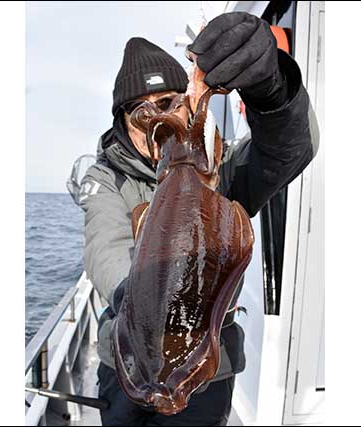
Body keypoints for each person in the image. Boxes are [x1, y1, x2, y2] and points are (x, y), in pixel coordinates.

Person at [79, 12, 319, 426]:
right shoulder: (107, 176)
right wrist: (140, 301)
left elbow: (288, 151)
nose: (157, 120)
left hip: (209, 369)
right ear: (122, 121)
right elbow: (107, 248)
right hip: (124, 364)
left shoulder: (218, 173)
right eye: (141, 113)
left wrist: (272, 91)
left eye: (169, 104)